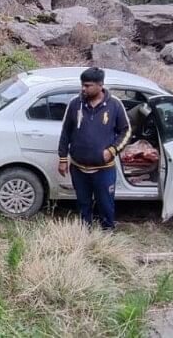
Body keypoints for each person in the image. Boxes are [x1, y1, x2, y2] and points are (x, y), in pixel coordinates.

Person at [57, 67, 132, 229]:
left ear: (100, 85)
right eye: (82, 85)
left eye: (88, 85)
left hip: (103, 170)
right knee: (83, 204)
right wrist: (63, 159)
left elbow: (126, 131)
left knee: (105, 204)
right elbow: (65, 132)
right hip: (78, 168)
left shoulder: (114, 105)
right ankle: (85, 233)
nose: (83, 89)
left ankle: (107, 233)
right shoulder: (75, 104)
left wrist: (112, 150)